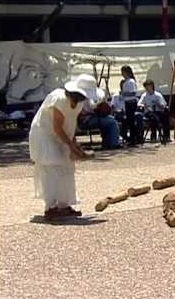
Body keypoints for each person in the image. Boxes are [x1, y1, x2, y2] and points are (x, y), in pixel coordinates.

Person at [29, 75, 95, 220]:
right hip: (44, 134)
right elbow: (57, 127)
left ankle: (64, 205)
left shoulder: (79, 104)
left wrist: (75, 146)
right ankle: (50, 207)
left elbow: (71, 124)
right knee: (51, 167)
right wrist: (71, 146)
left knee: (67, 166)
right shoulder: (58, 99)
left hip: (61, 135)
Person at [78, 77, 122, 150]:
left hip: (87, 119)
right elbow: (92, 108)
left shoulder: (79, 97)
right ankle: (113, 144)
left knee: (109, 120)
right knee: (112, 122)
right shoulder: (84, 98)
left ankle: (107, 143)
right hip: (86, 120)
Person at [138, 79, 171, 143]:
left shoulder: (158, 95)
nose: (147, 88)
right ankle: (153, 136)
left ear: (152, 86)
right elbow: (139, 104)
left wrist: (161, 105)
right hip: (149, 112)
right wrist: (145, 106)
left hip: (158, 112)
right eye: (146, 87)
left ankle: (166, 135)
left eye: (148, 87)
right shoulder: (144, 95)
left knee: (165, 115)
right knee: (152, 117)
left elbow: (163, 104)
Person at [120, 65, 143, 145]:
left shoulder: (131, 81)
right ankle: (133, 138)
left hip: (131, 103)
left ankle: (135, 138)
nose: (122, 74)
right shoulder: (125, 82)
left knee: (131, 121)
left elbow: (133, 93)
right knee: (130, 122)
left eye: (123, 72)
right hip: (127, 103)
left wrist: (124, 93)